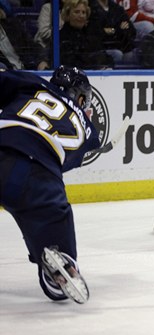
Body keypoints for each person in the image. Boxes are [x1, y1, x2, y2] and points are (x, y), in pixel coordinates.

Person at [0, 66, 101, 303]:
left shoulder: (33, 83)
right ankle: (60, 268)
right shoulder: (89, 132)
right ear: (81, 97)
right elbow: (66, 161)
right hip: (36, 173)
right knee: (56, 218)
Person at [59, 0, 114, 69]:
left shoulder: (90, 34)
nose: (81, 16)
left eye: (83, 12)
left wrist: (107, 67)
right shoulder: (61, 36)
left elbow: (105, 57)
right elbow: (70, 62)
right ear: (68, 15)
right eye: (77, 12)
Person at [0, 2, 50, 70]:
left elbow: (34, 47)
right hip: (7, 77)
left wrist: (42, 60)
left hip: (25, 73)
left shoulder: (12, 25)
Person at [88, 0, 137, 66]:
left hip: (121, 45)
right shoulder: (90, 7)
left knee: (133, 54)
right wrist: (119, 29)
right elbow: (95, 32)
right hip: (101, 48)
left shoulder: (116, 7)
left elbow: (131, 30)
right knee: (117, 54)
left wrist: (113, 30)